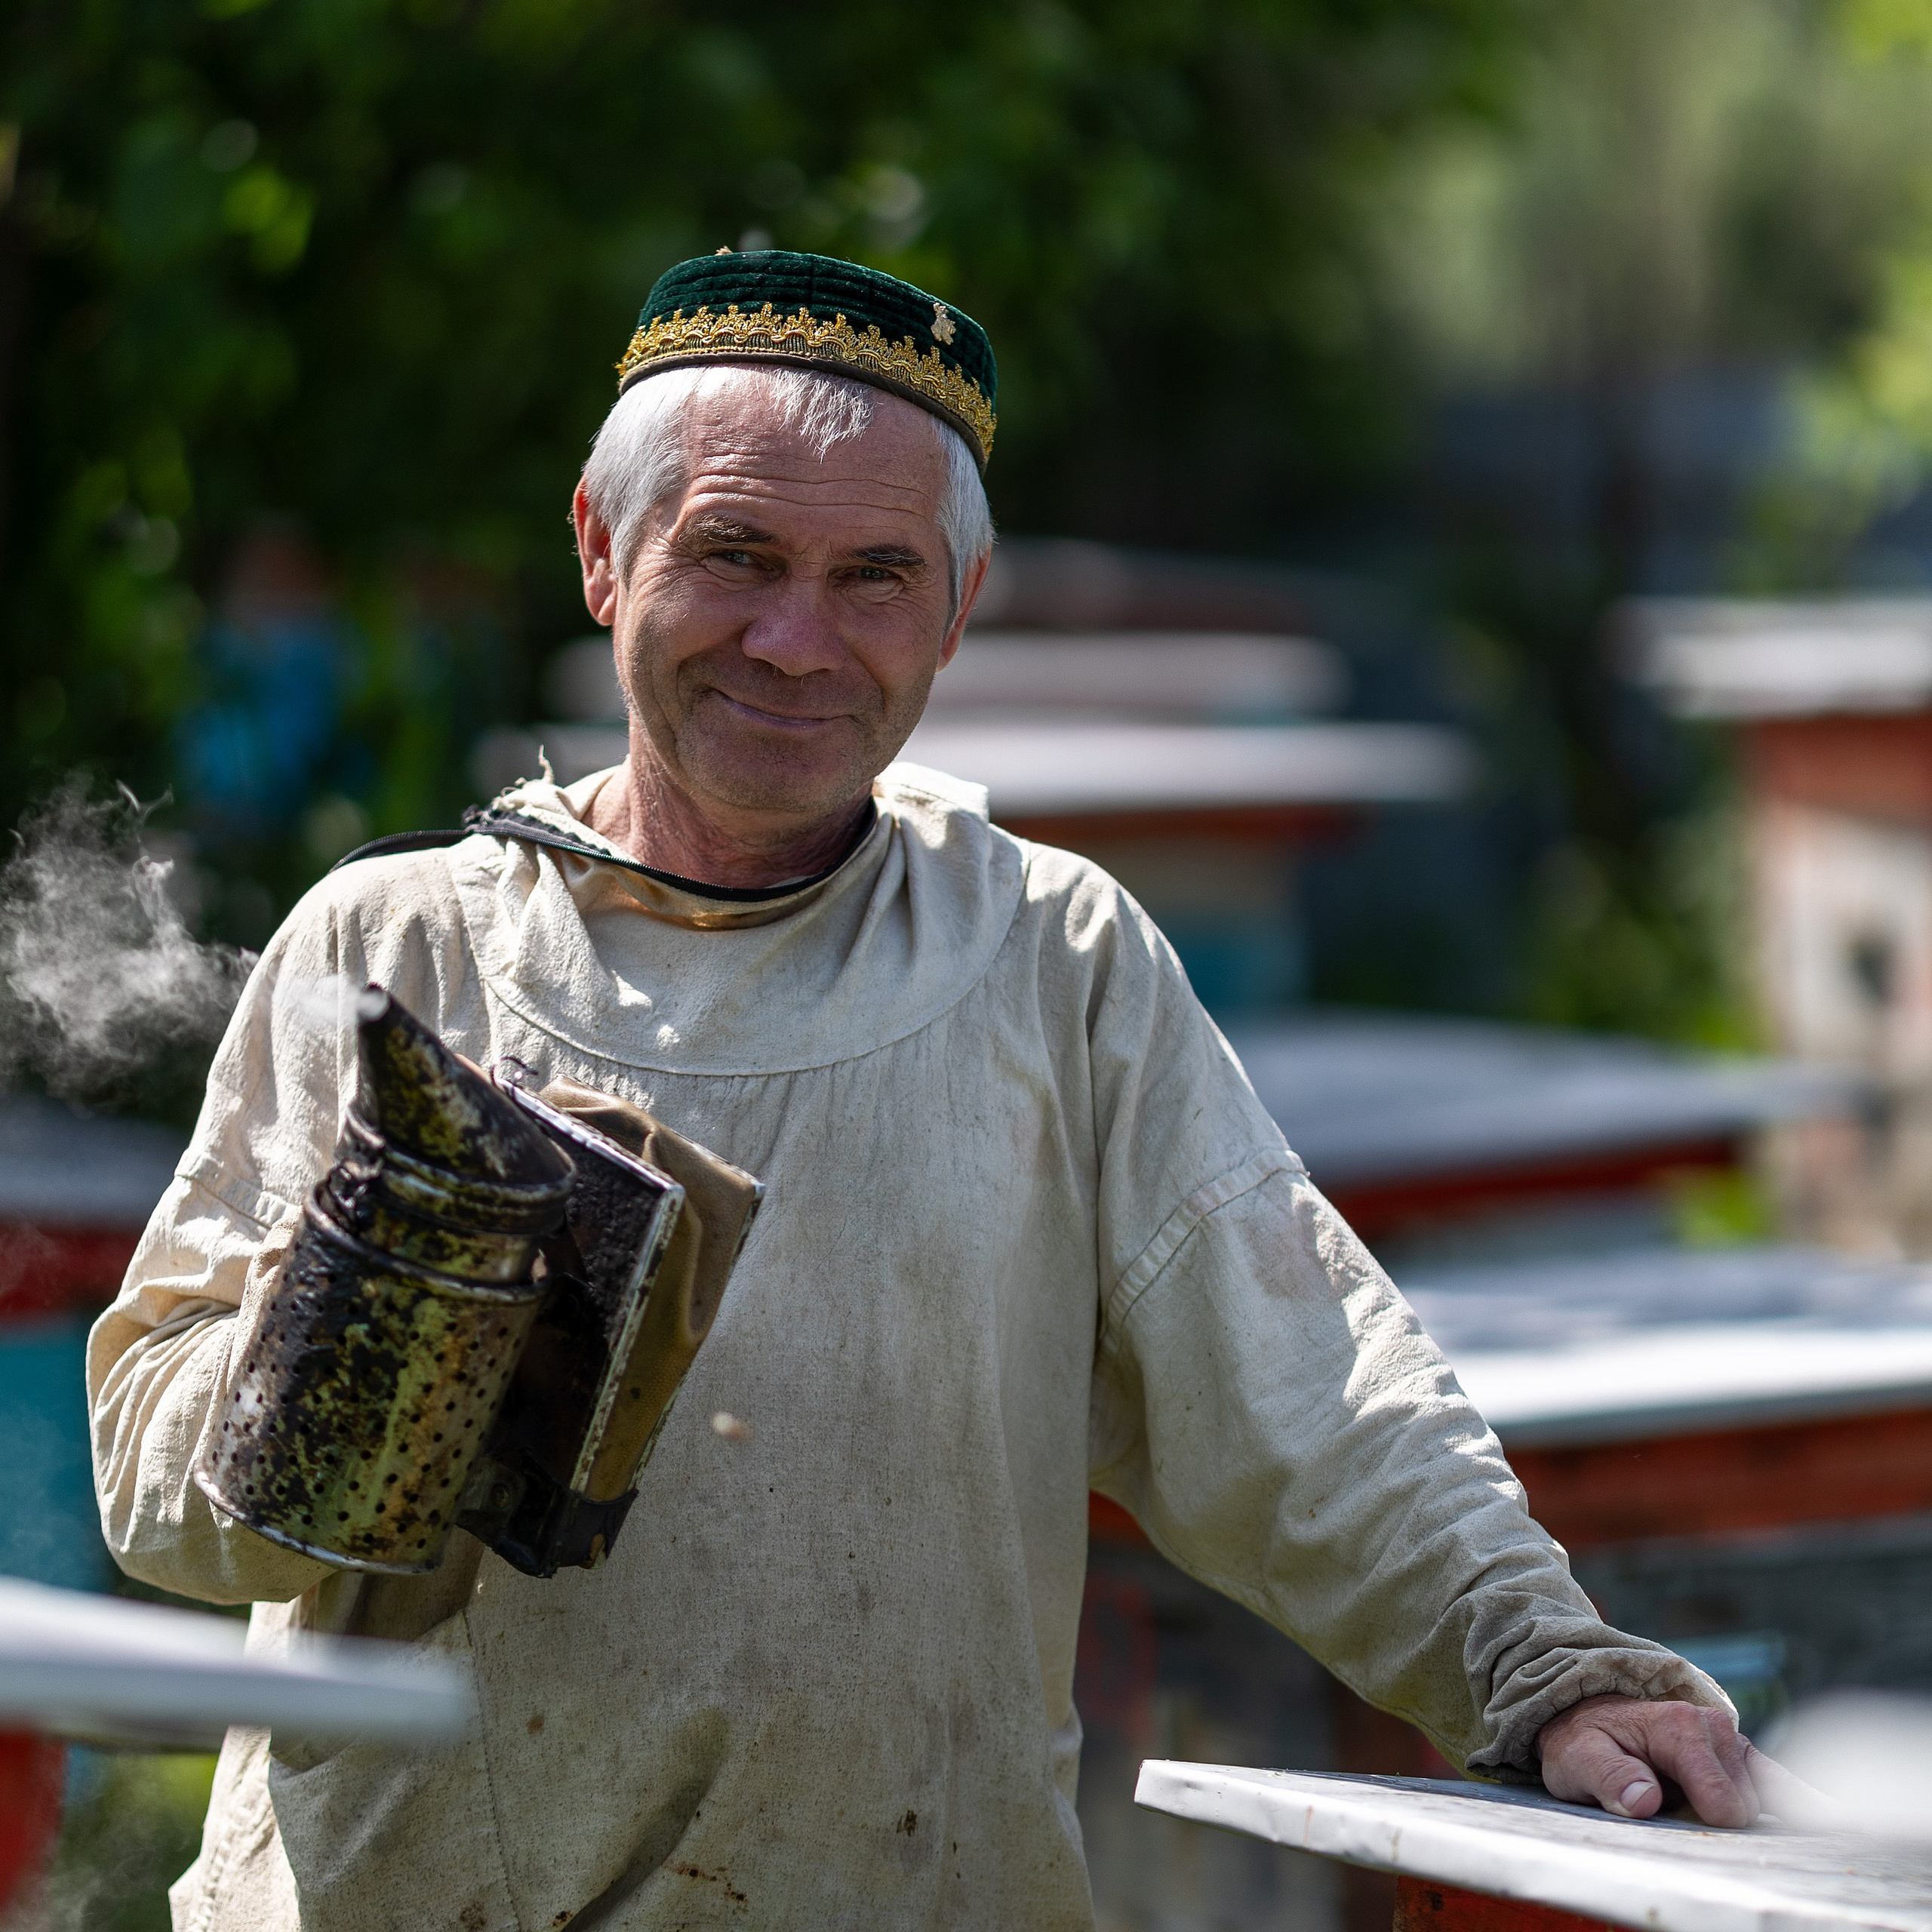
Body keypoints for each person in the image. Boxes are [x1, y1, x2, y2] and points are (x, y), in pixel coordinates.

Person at [90, 251, 1764, 1932]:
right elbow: (149, 1483)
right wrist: (362, 1348)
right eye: (733, 554)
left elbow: (1311, 1393)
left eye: (872, 576)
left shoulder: (1055, 957)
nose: (794, 639)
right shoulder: (392, 951)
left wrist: (1541, 1663)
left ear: (954, 613)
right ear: (603, 555)